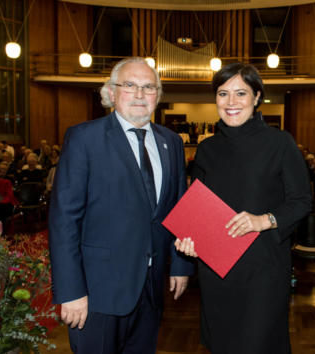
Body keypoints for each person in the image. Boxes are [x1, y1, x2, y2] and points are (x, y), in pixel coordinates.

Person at [49, 57, 194, 354]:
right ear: (111, 93)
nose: (140, 94)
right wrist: (72, 291)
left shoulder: (171, 142)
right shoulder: (84, 138)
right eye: (129, 85)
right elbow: (64, 220)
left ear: (158, 95)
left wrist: (181, 266)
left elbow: (179, 210)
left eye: (148, 87)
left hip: (151, 290)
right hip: (96, 293)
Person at [175, 63, 311, 353]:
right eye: (223, 94)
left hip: (263, 269)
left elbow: (302, 201)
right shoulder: (207, 149)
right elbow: (197, 209)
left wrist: (265, 220)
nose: (231, 102)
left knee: (258, 345)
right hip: (216, 271)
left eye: (241, 93)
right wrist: (190, 240)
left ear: (257, 97)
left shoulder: (280, 143)